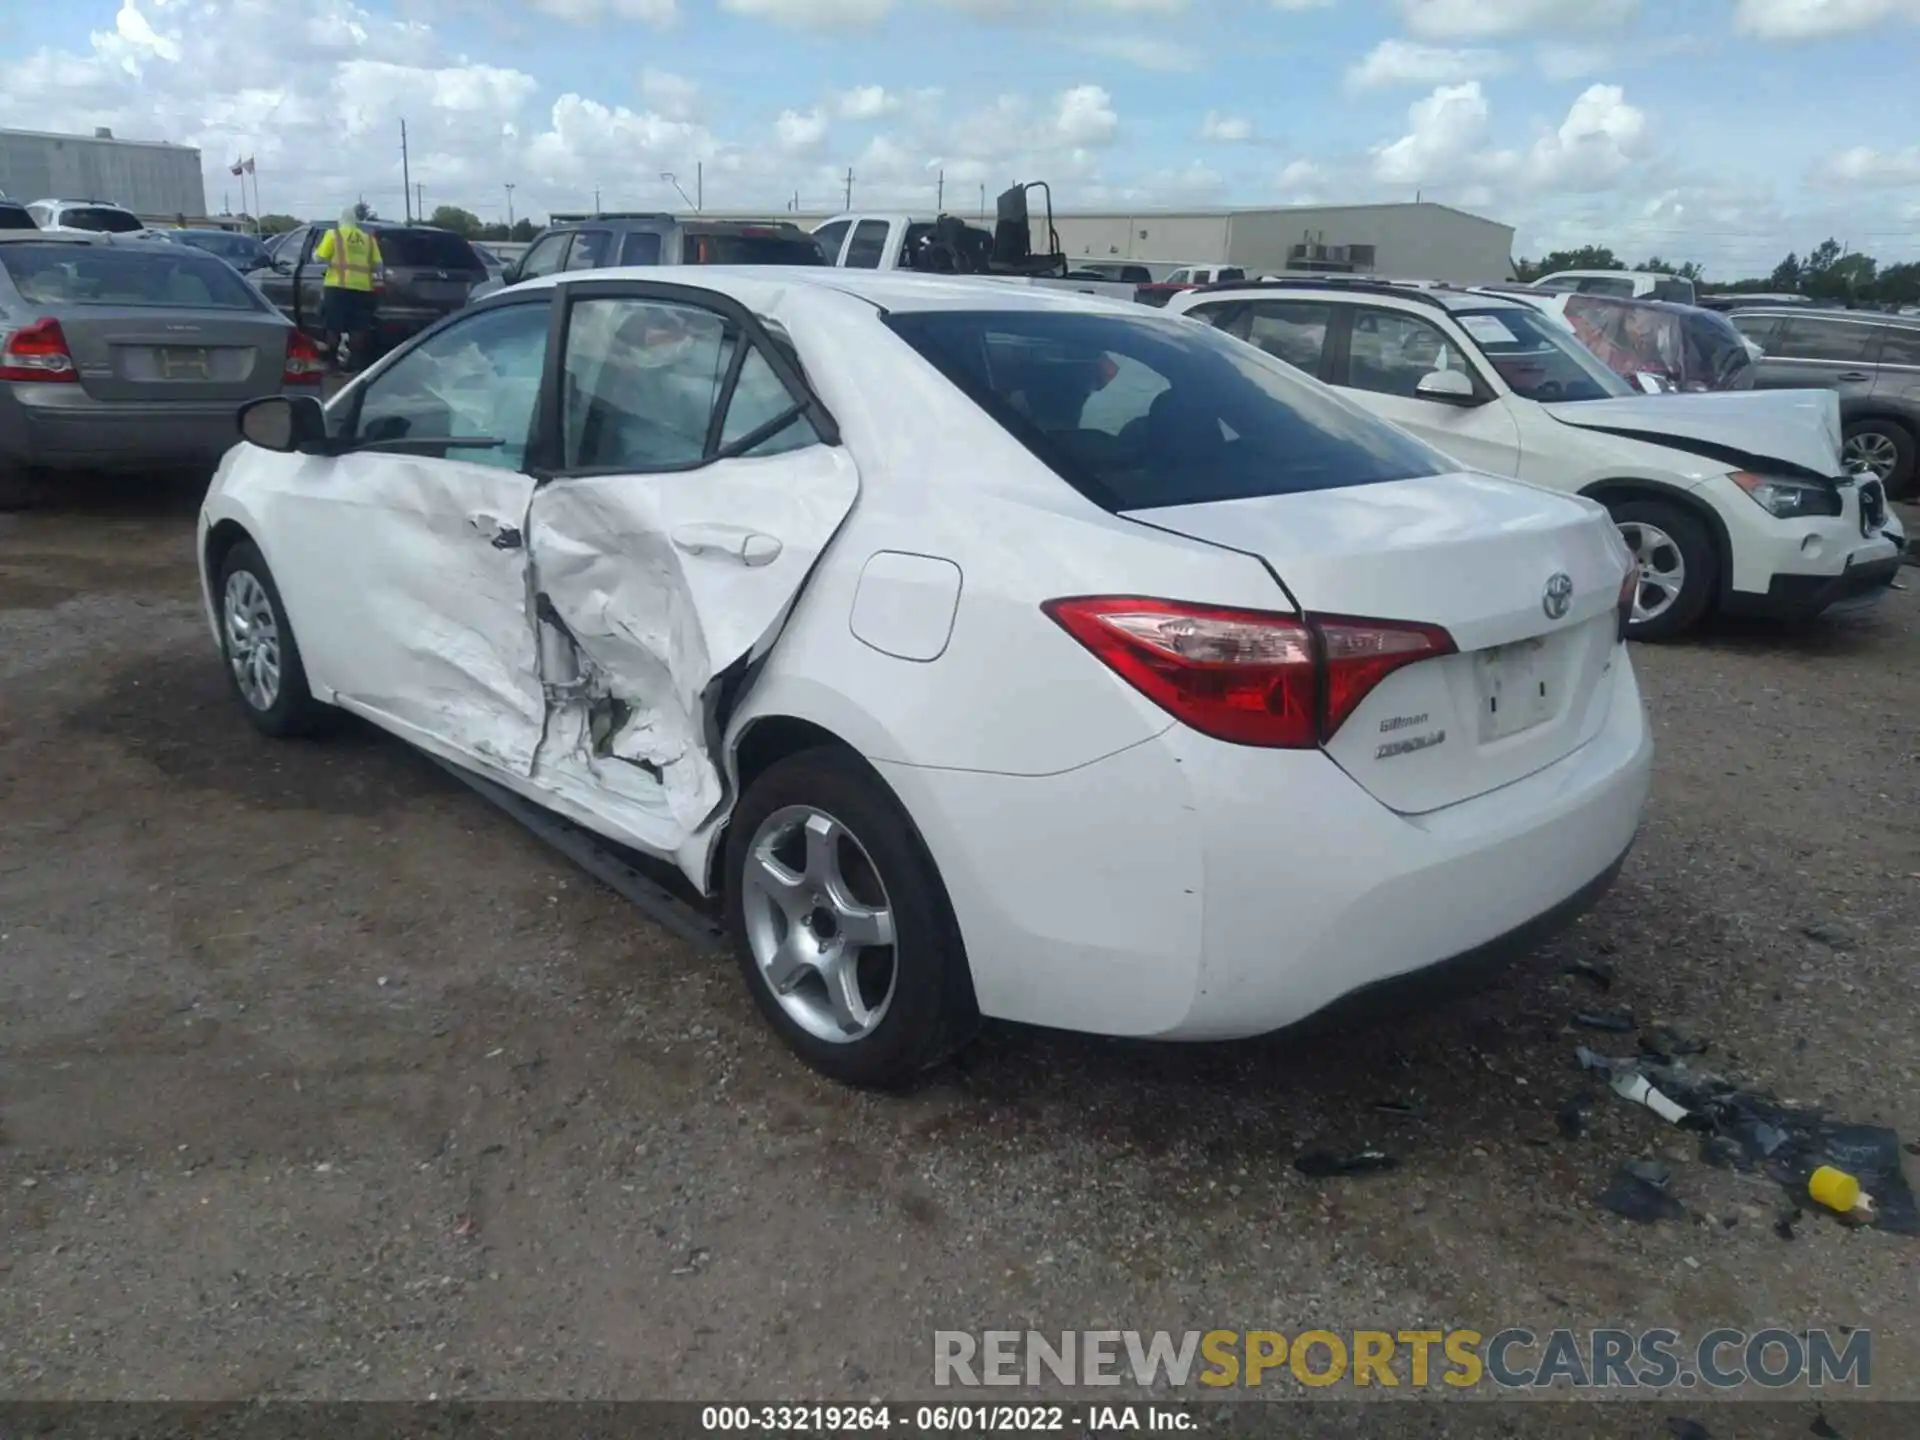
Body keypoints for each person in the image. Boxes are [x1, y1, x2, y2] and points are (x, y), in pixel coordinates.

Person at [313, 205, 383, 372]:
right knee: (358, 328)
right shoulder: (368, 239)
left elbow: (318, 258)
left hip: (337, 286)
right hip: (363, 288)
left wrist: (322, 257)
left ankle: (333, 363)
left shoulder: (334, 234)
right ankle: (355, 363)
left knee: (333, 326)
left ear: (340, 220)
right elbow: (379, 266)